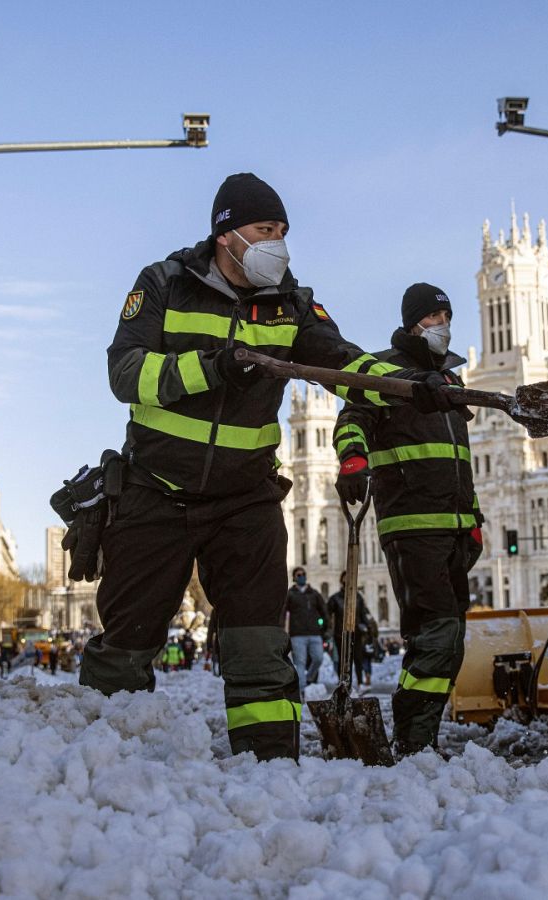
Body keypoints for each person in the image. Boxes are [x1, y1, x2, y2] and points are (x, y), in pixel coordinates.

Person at [76, 173, 456, 760]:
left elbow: (345, 364)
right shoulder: (163, 284)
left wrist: (413, 387)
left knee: (259, 647)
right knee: (127, 642)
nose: (277, 242)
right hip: (156, 491)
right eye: (264, 229)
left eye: (282, 231)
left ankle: (270, 766)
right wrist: (214, 367)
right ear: (226, 234)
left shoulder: (293, 306)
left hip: (245, 499)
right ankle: (95, 762)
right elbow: (125, 373)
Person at [334, 283, 483, 756]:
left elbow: (460, 459)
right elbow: (351, 417)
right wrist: (353, 458)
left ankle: (420, 735)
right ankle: (414, 741)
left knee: (450, 638)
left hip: (454, 524)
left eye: (446, 316)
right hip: (412, 523)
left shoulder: (452, 382)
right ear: (412, 323)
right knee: (437, 634)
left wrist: (473, 515)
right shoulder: (387, 373)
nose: (442, 326)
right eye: (432, 318)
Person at [324, 572, 373, 688]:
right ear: (341, 580)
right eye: (345, 578)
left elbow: (363, 614)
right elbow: (326, 614)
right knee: (344, 660)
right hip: (340, 634)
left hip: (356, 632)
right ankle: (345, 684)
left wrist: (368, 627)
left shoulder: (358, 597)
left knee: (358, 657)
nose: (348, 580)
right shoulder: (335, 598)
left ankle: (360, 682)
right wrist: (326, 628)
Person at [285, 566, 326, 690]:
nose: (301, 576)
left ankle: (309, 678)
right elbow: (283, 613)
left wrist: (325, 628)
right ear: (294, 578)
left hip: (314, 633)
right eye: (298, 575)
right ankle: (302, 690)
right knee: (300, 663)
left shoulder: (314, 594)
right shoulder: (290, 595)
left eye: (303, 574)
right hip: (297, 635)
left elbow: (324, 611)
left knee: (318, 658)